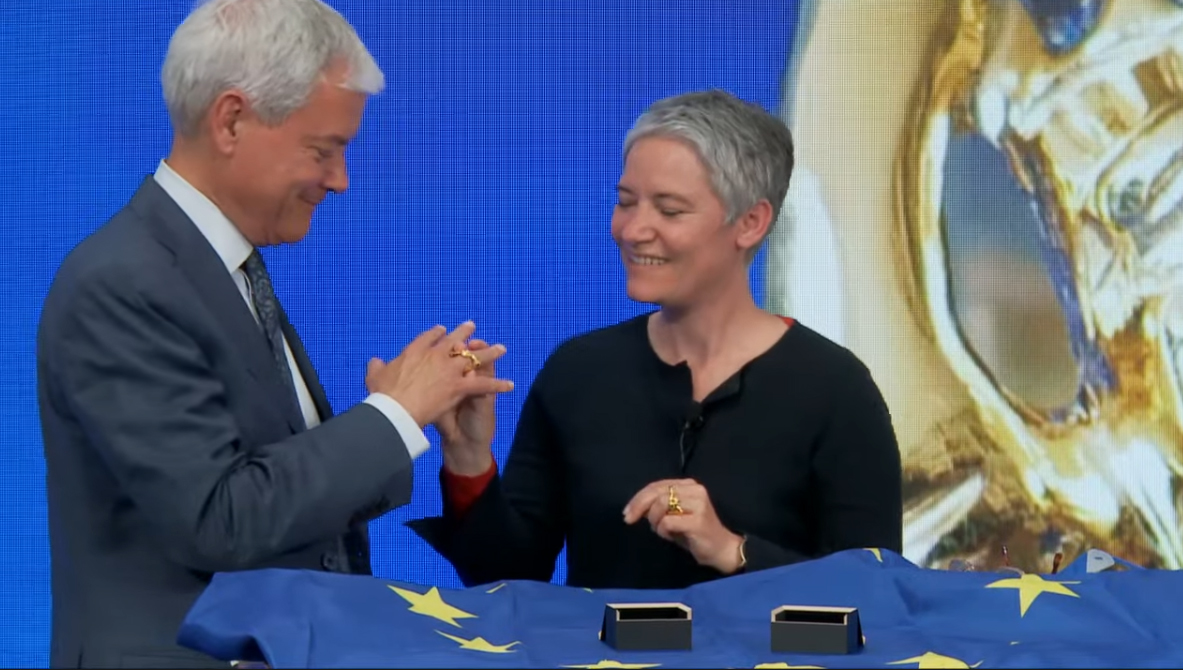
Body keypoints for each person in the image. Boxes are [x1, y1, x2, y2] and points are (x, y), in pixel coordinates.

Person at [35, 0, 513, 667]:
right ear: (231, 120)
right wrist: (393, 415)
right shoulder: (121, 284)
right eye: (324, 150)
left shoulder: (223, 268)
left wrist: (398, 421)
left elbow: (272, 487)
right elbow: (219, 519)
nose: (340, 180)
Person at [408, 90, 903, 590]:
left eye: (669, 210)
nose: (632, 230)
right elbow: (508, 581)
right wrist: (468, 457)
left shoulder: (835, 390)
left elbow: (877, 593)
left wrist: (734, 550)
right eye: (625, 202)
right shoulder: (579, 373)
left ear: (751, 223)